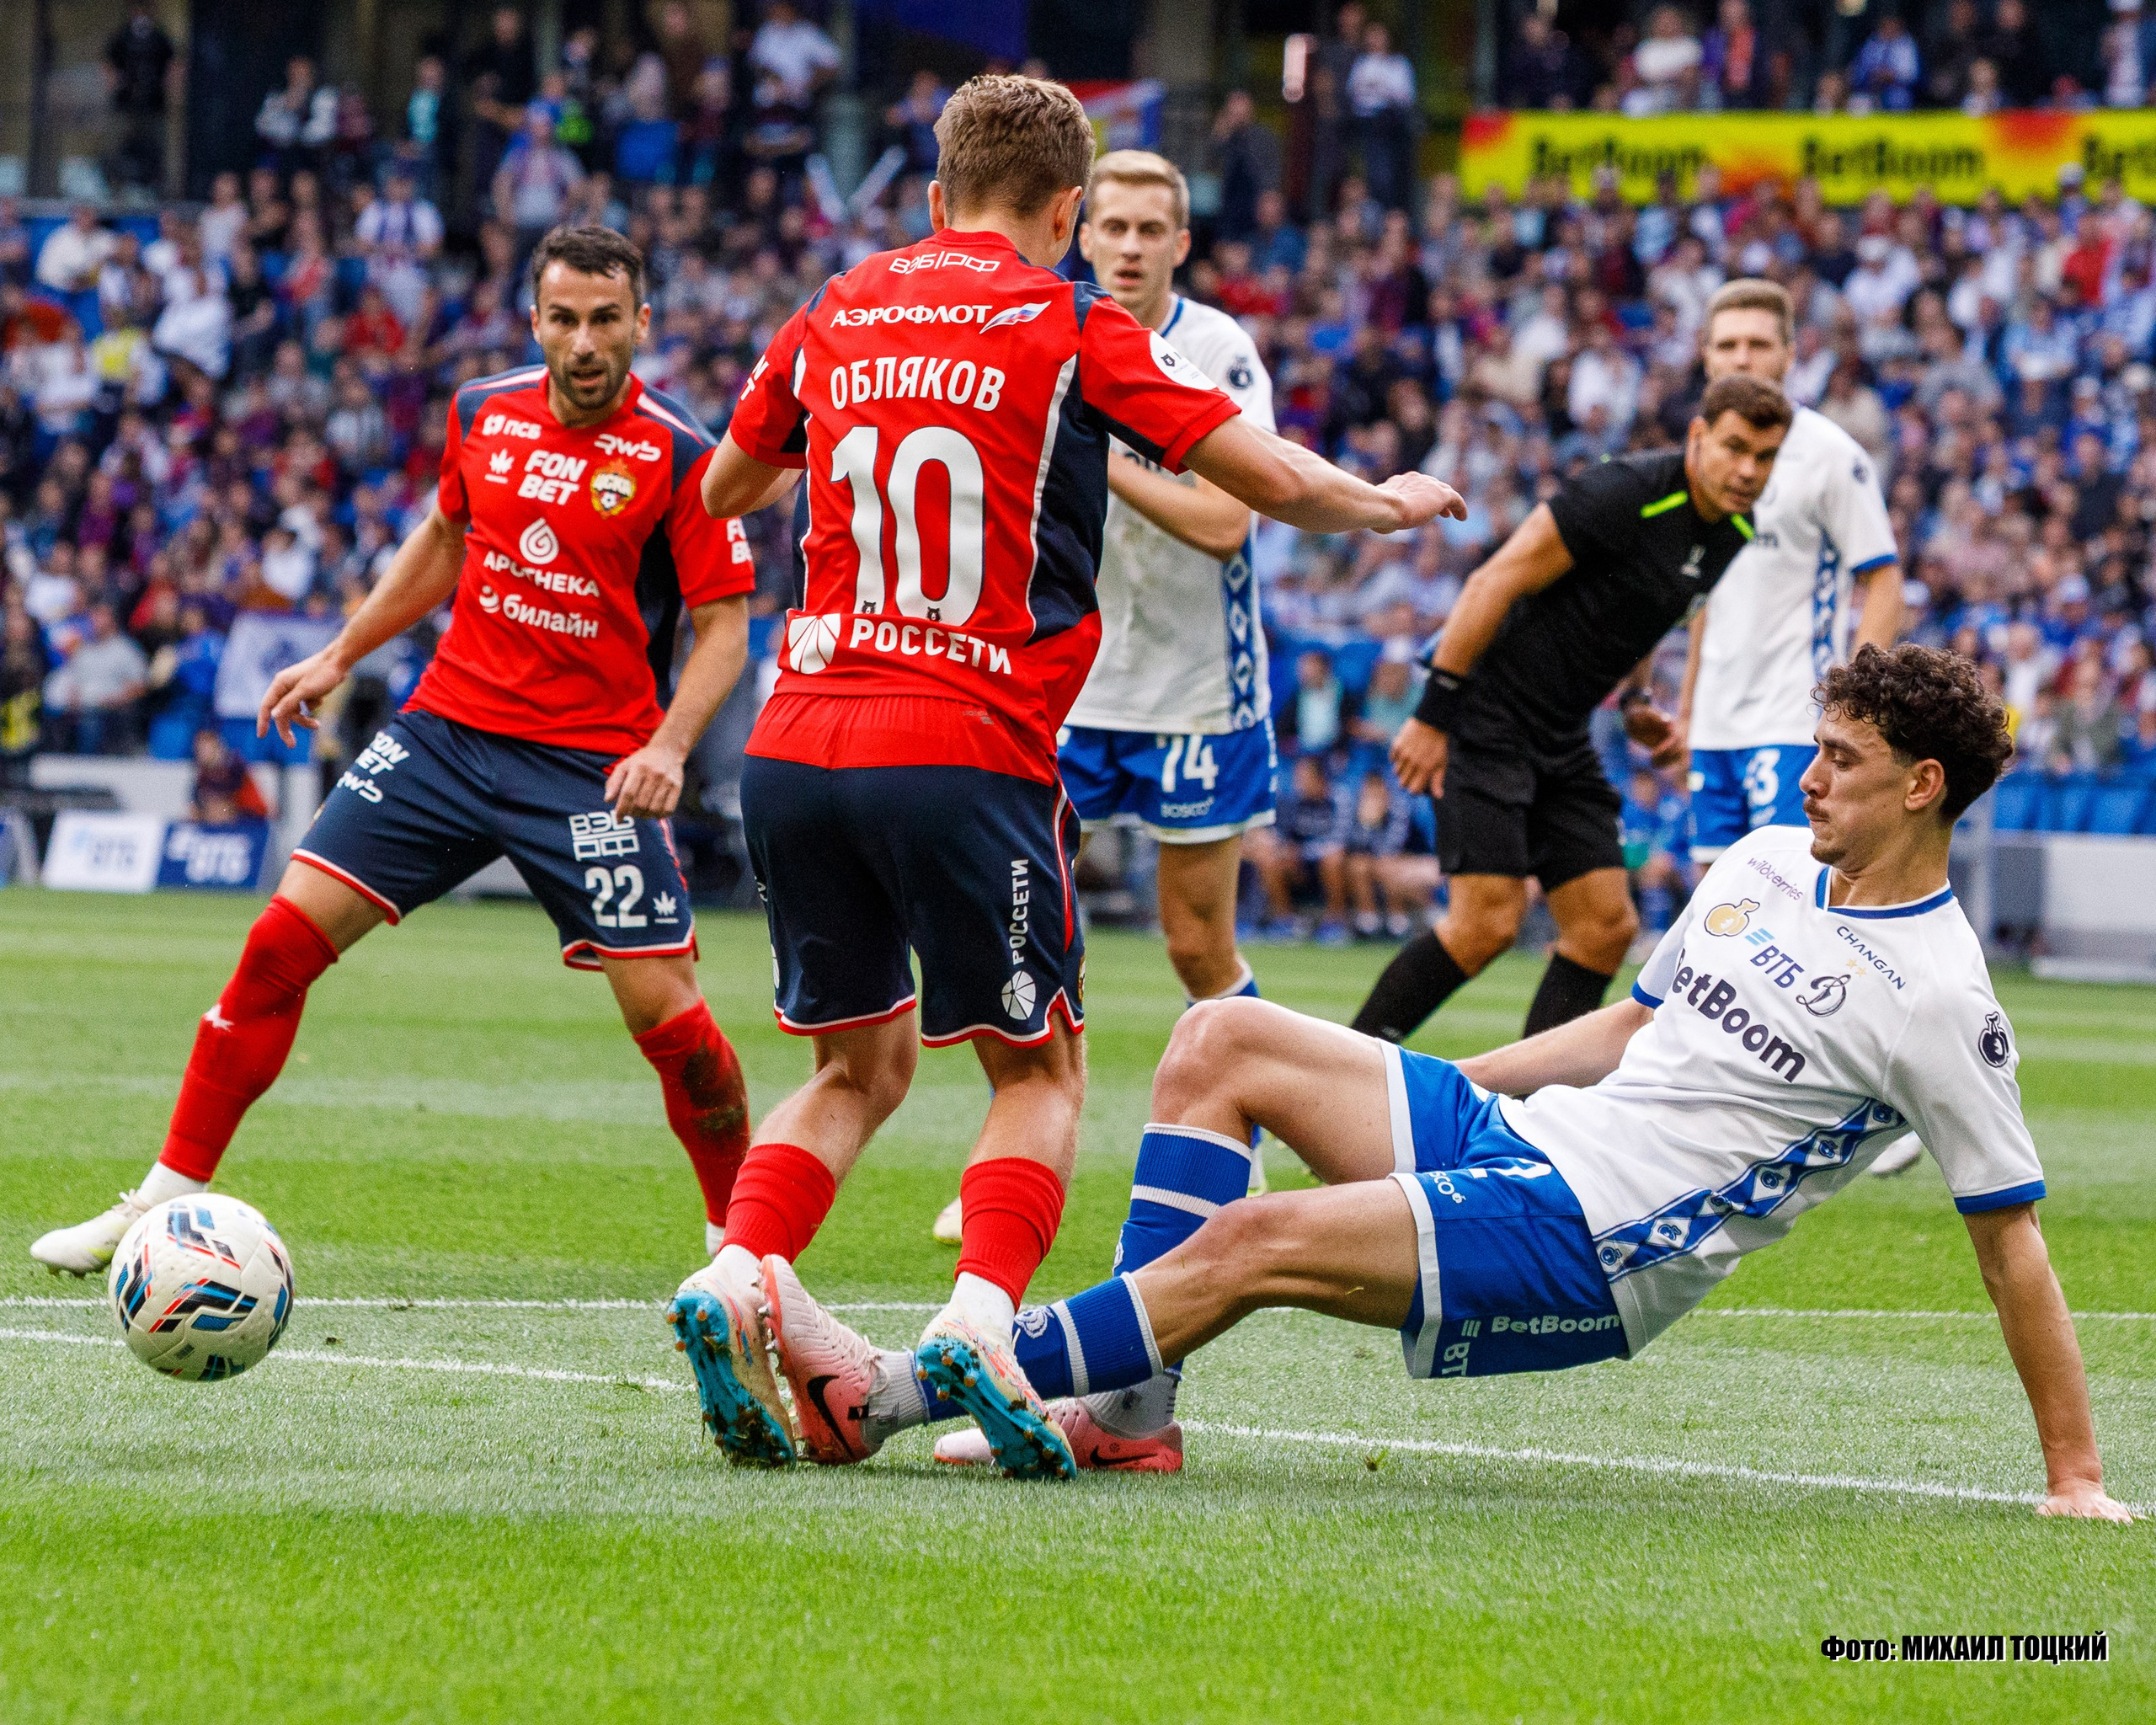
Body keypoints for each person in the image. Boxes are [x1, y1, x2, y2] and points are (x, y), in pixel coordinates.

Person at [685, 73, 1464, 1477]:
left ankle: (741, 1266)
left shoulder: (834, 305)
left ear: (930, 197)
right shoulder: (1069, 322)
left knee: (853, 1064)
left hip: (795, 736)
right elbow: (1265, 485)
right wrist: (1382, 498)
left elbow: (731, 488)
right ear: (1063, 211)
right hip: (961, 736)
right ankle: (982, 1321)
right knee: (1039, 1067)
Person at [899, 648, 2136, 1519]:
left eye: (1843, 759)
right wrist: (1427, 1083)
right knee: (1222, 1040)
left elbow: (2011, 1246)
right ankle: (1128, 1415)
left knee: (1256, 1235)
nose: (1808, 776)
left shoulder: (1939, 995)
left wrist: (2075, 1477)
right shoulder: (1763, 860)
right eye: (1815, 748)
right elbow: (1628, 1031)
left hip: (1600, 1244)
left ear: (1924, 787)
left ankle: (898, 1389)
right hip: (1530, 1137)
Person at [30, 227, 761, 1279]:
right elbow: (443, 542)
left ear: (642, 323)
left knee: (672, 1018)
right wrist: (339, 652)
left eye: (608, 319)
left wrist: (669, 744)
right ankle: (159, 1202)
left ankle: (741, 1251)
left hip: (588, 769)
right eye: (565, 318)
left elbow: (725, 626)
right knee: (276, 947)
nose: (586, 341)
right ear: (535, 321)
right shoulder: (480, 411)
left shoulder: (685, 458)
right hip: (444, 736)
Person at [1349, 372, 1792, 1048]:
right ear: (1699, 436)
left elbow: (1652, 612)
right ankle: (1340, 1074)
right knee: (1486, 925)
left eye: (1765, 457)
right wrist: (1433, 715)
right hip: (1486, 713)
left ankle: (1531, 1120)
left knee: (1605, 927)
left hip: (1562, 733)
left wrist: (1639, 700)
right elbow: (1492, 580)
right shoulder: (1622, 492)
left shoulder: (1734, 528)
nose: (1747, 470)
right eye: (1735, 448)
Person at [1680, 280, 1902, 869]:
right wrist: (1685, 710)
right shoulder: (1699, 456)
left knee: (1784, 899)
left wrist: (1854, 706)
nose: (1742, 358)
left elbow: (1882, 578)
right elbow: (1703, 594)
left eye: (1758, 343)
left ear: (1790, 352)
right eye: (1727, 345)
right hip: (1714, 722)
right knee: (1712, 902)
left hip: (1792, 720)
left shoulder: (1829, 454)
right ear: (1706, 354)